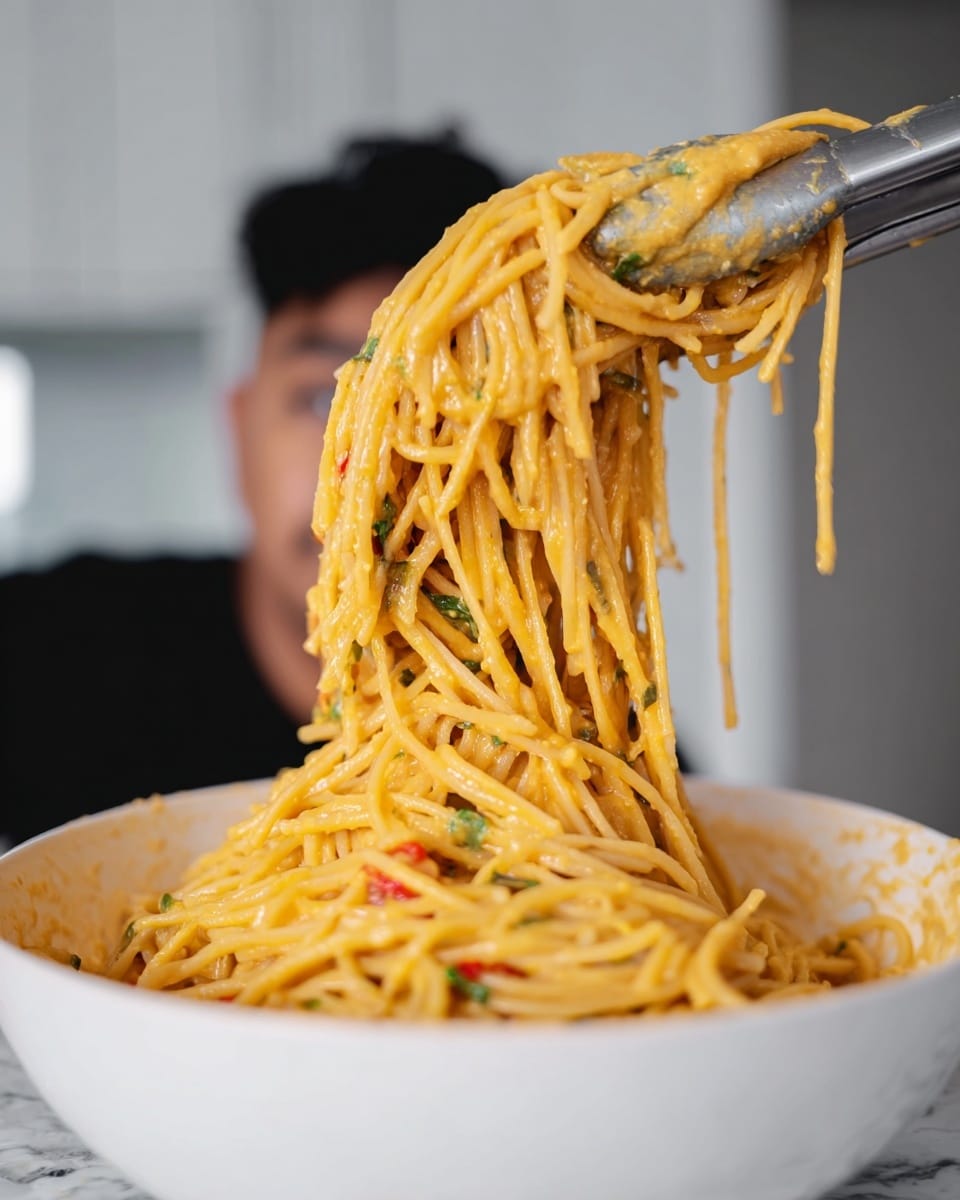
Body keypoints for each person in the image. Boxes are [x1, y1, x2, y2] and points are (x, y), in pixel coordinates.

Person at [0, 134, 507, 845]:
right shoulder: (46, 652)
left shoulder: (595, 765)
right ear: (240, 431)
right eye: (318, 401)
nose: (368, 468)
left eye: (444, 408)